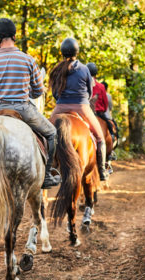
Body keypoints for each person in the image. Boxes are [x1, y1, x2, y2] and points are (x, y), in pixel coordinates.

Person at [0, 18, 61, 189]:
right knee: (51, 133)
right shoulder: (28, 60)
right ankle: (47, 175)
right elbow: (38, 91)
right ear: (14, 36)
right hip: (22, 107)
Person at [49, 38, 108, 181]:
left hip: (60, 107)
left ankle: (47, 169)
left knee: (45, 136)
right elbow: (89, 91)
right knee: (100, 138)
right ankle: (102, 170)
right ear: (77, 51)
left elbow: (54, 93)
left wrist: (62, 101)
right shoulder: (84, 69)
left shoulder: (56, 69)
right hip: (82, 107)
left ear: (62, 52)